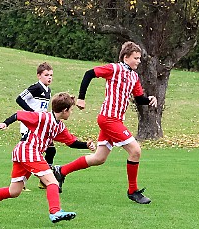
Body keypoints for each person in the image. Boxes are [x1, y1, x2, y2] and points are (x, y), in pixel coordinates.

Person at [53, 41, 157, 204]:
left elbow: (139, 99)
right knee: (135, 151)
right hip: (109, 119)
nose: (139, 61)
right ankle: (133, 191)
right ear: (126, 57)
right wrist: (81, 98)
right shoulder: (114, 68)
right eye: (136, 58)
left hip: (114, 120)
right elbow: (89, 73)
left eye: (139, 58)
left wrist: (149, 99)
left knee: (99, 158)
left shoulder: (134, 76)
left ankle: (61, 171)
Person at [0, 92, 96, 223]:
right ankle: (55, 212)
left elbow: (70, 142)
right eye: (71, 110)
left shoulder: (59, 126)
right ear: (64, 110)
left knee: (14, 191)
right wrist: (5, 123)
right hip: (29, 150)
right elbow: (19, 114)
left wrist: (86, 145)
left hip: (24, 153)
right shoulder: (42, 117)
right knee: (52, 181)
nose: (71, 113)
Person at [16, 62, 55, 190]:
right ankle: (21, 182)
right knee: (26, 153)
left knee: (51, 150)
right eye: (46, 75)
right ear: (39, 76)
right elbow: (19, 99)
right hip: (30, 124)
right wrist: (31, 113)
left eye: (51, 75)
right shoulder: (36, 88)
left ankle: (43, 181)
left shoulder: (48, 90)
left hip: (41, 126)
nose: (49, 77)